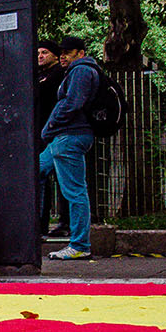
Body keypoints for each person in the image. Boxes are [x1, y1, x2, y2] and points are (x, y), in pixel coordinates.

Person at [40, 35, 98, 260]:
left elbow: (73, 103)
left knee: (75, 191)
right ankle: (32, 229)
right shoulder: (76, 71)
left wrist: (52, 124)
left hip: (69, 137)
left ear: (80, 53)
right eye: (61, 52)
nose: (63, 56)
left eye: (68, 52)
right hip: (62, 138)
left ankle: (80, 244)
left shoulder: (81, 71)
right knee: (35, 172)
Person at [35, 40, 69, 236]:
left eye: (45, 52)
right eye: (38, 52)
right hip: (43, 132)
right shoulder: (41, 75)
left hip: (54, 132)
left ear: (55, 55)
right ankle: (42, 222)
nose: (40, 56)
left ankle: (65, 222)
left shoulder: (58, 75)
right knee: (43, 177)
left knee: (60, 177)